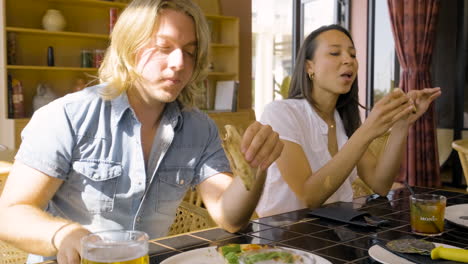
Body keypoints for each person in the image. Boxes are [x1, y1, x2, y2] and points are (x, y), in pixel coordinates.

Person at [0, 0, 283, 263]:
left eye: (190, 51)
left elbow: (229, 217)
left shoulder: (199, 128)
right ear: (128, 46)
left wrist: (256, 166)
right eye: (163, 47)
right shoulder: (67, 116)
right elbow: (9, 215)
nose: (179, 63)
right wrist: (62, 235)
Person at [255, 24, 441, 218]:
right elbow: (308, 197)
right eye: (335, 53)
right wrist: (367, 131)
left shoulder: (342, 118)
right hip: (283, 235)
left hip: (333, 232)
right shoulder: (280, 113)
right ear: (309, 66)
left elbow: (381, 184)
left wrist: (403, 123)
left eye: (352, 55)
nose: (348, 60)